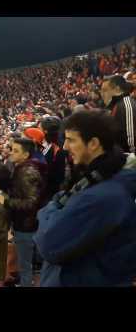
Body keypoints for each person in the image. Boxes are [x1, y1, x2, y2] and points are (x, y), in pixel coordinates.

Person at [34, 110, 136, 286]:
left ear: (94, 143)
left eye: (71, 140)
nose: (65, 147)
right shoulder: (100, 178)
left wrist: (48, 210)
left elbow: (49, 244)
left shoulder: (103, 195)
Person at [5, 138, 45, 287]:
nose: (11, 153)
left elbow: (30, 202)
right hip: (25, 223)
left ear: (26, 154)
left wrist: (7, 202)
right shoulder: (22, 168)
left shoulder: (26, 172)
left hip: (26, 224)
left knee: (25, 264)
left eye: (16, 151)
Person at [100, 75, 136, 153]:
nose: (102, 94)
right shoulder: (114, 106)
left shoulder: (126, 105)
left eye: (105, 90)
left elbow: (131, 142)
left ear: (117, 89)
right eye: (101, 91)